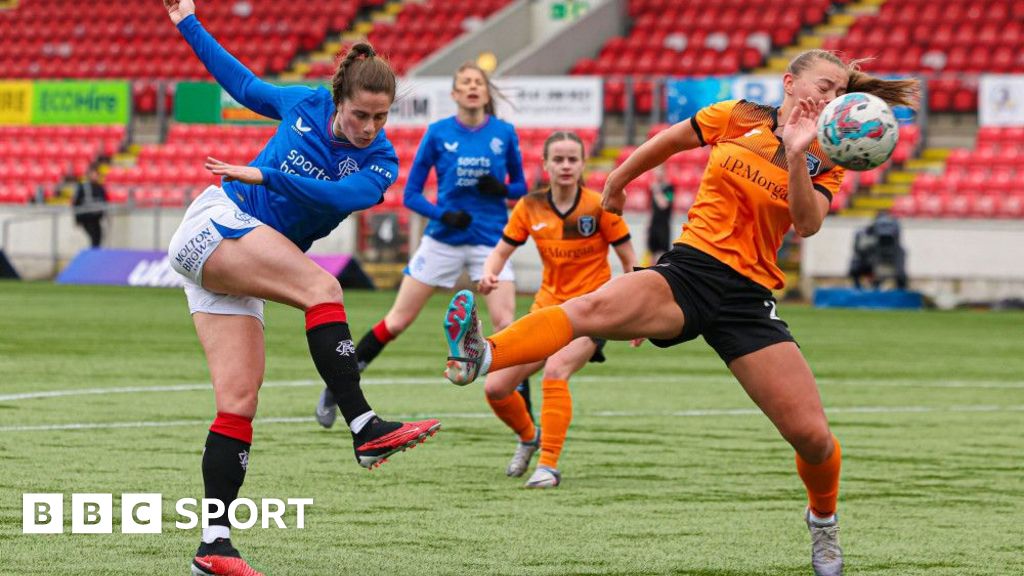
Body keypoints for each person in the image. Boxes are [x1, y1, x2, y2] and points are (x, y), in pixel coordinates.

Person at [442, 49, 919, 576]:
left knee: (811, 436)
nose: (831, 98)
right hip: (688, 272)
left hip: (747, 301)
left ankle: (823, 524)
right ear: (789, 82)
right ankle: (482, 354)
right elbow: (663, 144)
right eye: (824, 85)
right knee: (590, 306)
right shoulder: (736, 116)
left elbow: (806, 225)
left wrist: (798, 155)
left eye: (839, 90)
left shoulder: (827, 155)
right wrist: (618, 183)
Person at [163, 2, 440, 574]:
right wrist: (187, 19)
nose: (369, 129)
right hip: (217, 225)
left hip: (241, 261)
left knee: (238, 403)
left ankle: (213, 545)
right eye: (362, 115)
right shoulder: (304, 104)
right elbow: (241, 84)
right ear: (339, 100)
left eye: (381, 118)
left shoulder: (381, 162)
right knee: (323, 289)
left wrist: (267, 174)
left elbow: (335, 199)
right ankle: (364, 426)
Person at [314, 62, 531, 428]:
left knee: (508, 325)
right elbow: (412, 195)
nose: (472, 88)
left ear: (486, 91)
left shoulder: (504, 133)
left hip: (489, 241)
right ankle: (337, 386)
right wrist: (442, 215)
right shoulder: (438, 133)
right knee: (397, 321)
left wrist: (503, 190)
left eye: (478, 82)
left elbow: (521, 188)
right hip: (443, 239)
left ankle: (526, 422)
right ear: (455, 93)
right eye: (465, 82)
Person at [468, 131, 635, 488]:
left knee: (556, 371)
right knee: (495, 387)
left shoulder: (600, 206)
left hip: (592, 312)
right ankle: (529, 437)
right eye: (557, 159)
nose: (565, 165)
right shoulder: (530, 206)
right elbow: (500, 251)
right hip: (547, 310)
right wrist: (489, 273)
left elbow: (630, 263)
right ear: (545, 165)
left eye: (572, 159)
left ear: (582, 165)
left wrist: (636, 315)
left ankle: (548, 466)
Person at [849, 211, 907, 290]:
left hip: (891, 258)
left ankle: (901, 289)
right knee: (856, 263)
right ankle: (859, 287)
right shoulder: (866, 233)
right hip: (872, 258)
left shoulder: (898, 248)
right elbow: (859, 248)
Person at [72, 167, 108, 248]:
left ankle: (95, 255)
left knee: (98, 238)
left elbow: (104, 201)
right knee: (94, 238)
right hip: (87, 219)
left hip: (96, 218)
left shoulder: (100, 188)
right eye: (93, 174)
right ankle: (93, 255)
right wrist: (77, 219)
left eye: (96, 174)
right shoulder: (83, 187)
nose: (95, 176)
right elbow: (76, 203)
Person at [646, 164, 674, 264]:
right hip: (654, 224)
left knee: (662, 253)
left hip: (663, 225)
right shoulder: (652, 189)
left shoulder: (669, 188)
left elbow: (664, 204)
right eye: (655, 171)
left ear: (664, 172)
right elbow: (651, 208)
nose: (657, 174)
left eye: (659, 171)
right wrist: (648, 224)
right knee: (651, 252)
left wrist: (657, 190)